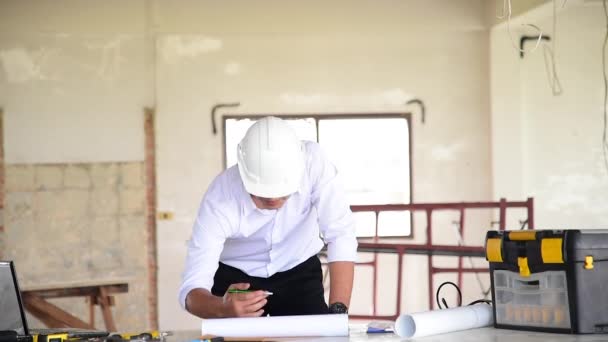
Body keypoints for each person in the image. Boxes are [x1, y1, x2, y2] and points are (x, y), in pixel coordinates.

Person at [179, 116, 357, 318]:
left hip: (298, 270)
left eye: (283, 193)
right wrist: (222, 307)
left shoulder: (314, 164)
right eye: (262, 193)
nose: (273, 199)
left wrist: (337, 312)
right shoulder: (221, 197)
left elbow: (340, 235)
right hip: (236, 281)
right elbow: (191, 290)